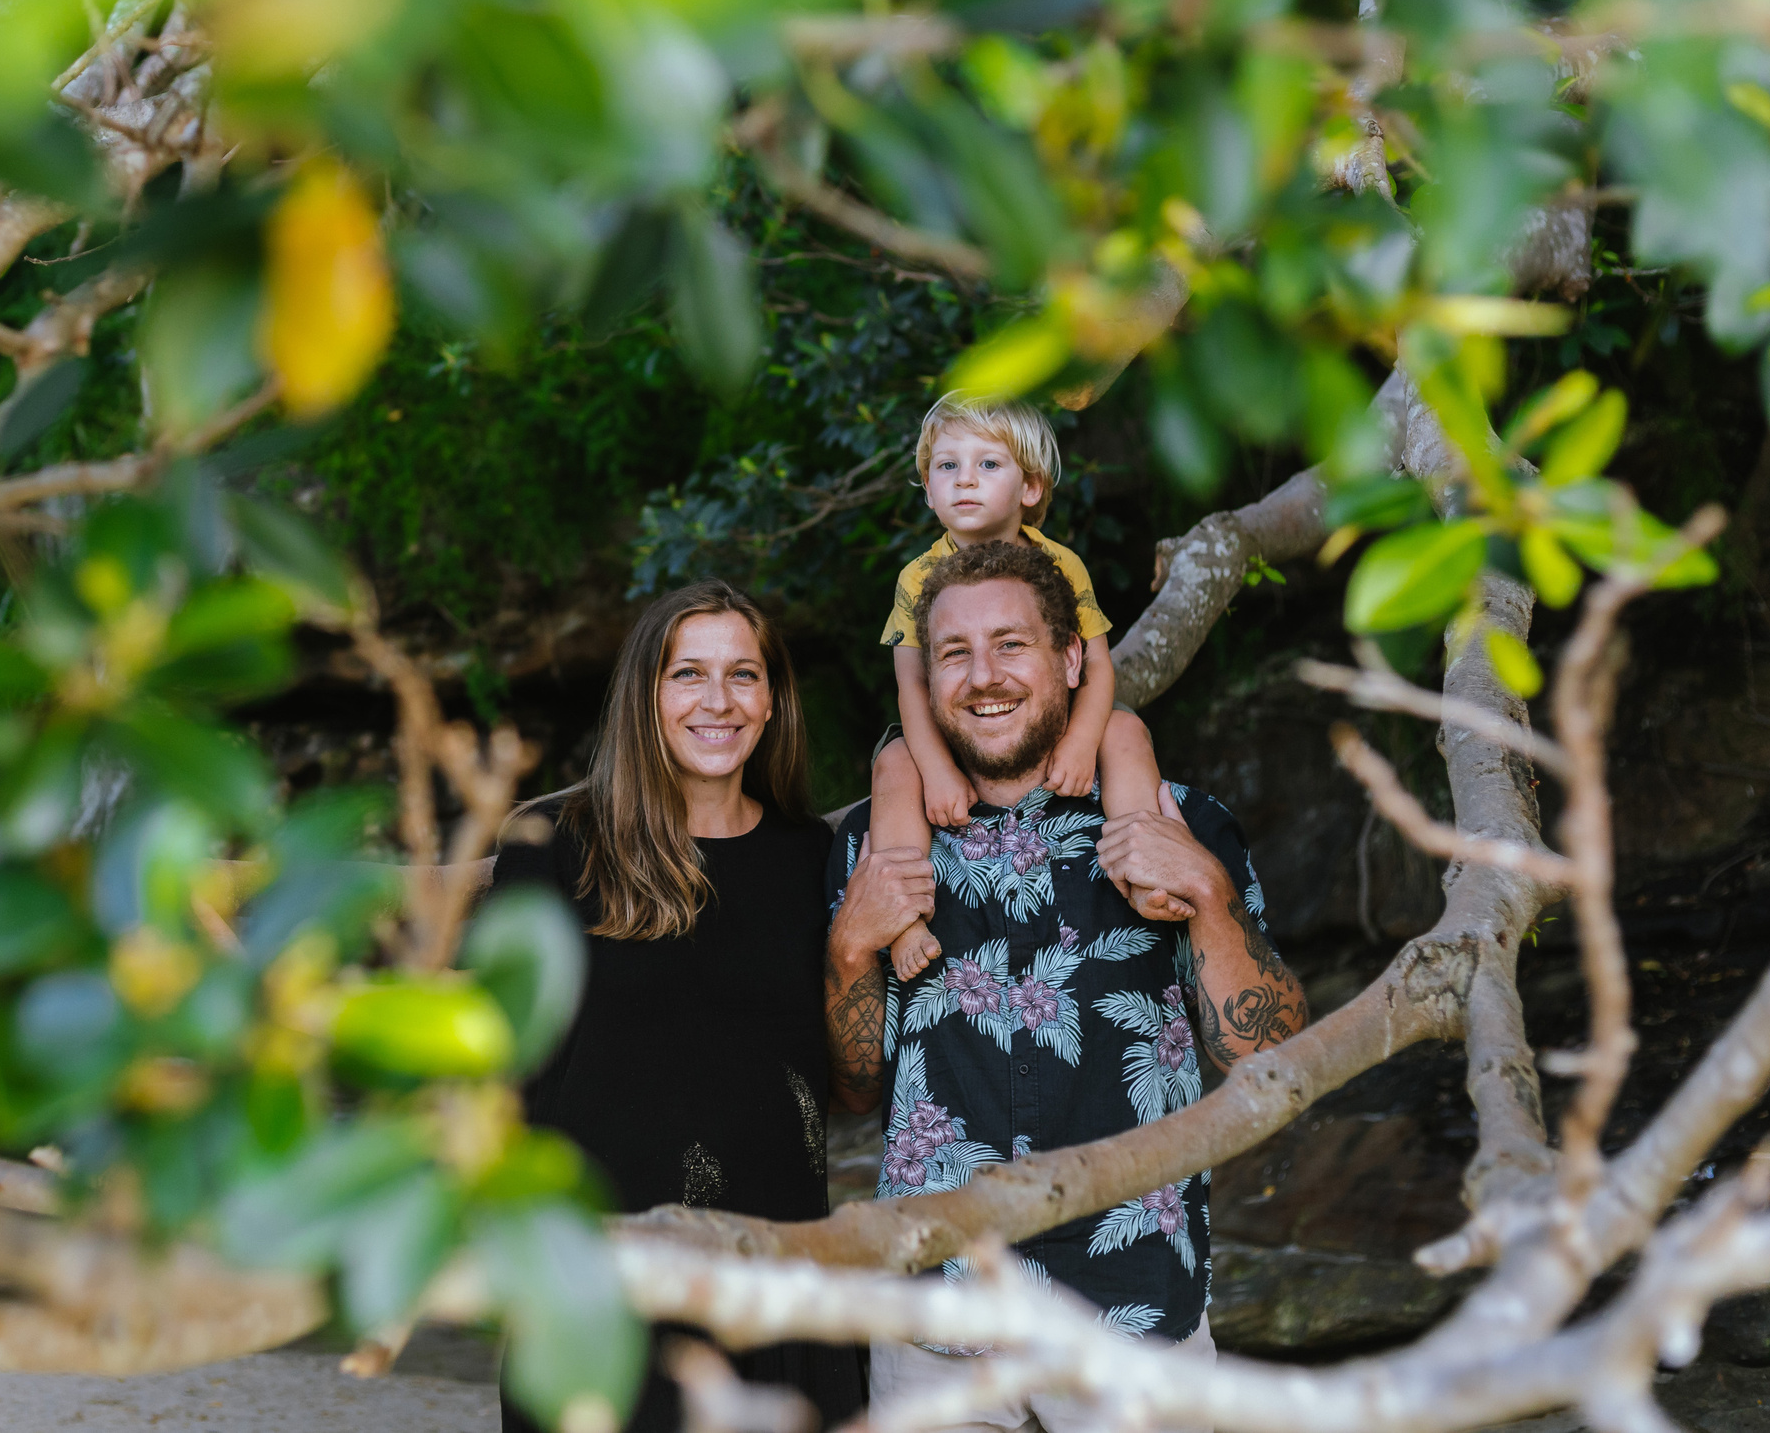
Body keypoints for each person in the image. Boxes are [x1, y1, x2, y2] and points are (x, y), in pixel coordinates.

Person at [825, 538, 1308, 1433]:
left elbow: (1268, 1051)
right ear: (925, 682)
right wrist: (852, 951)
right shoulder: (874, 845)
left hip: (1133, 1317)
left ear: (1071, 657)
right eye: (954, 653)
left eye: (1011, 643)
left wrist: (1206, 895)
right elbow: (855, 1090)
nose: (983, 675)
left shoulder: (1175, 818)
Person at [492, 579, 866, 1433]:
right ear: (644, 695)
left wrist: (855, 945)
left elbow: (853, 1083)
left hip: (782, 1279)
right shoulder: (551, 847)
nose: (718, 700)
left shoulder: (816, 857)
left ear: (772, 700)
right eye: (687, 673)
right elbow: (502, 1077)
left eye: (743, 674)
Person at [871, 392, 1166, 982]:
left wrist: (1082, 743)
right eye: (947, 467)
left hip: (1046, 721)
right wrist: (939, 770)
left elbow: (1099, 667)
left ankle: (1145, 867)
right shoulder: (917, 577)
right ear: (927, 490)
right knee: (894, 762)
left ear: (1030, 488)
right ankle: (901, 915)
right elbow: (911, 685)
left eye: (988, 464)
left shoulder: (1062, 564)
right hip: (958, 729)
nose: (965, 481)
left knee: (1128, 729)